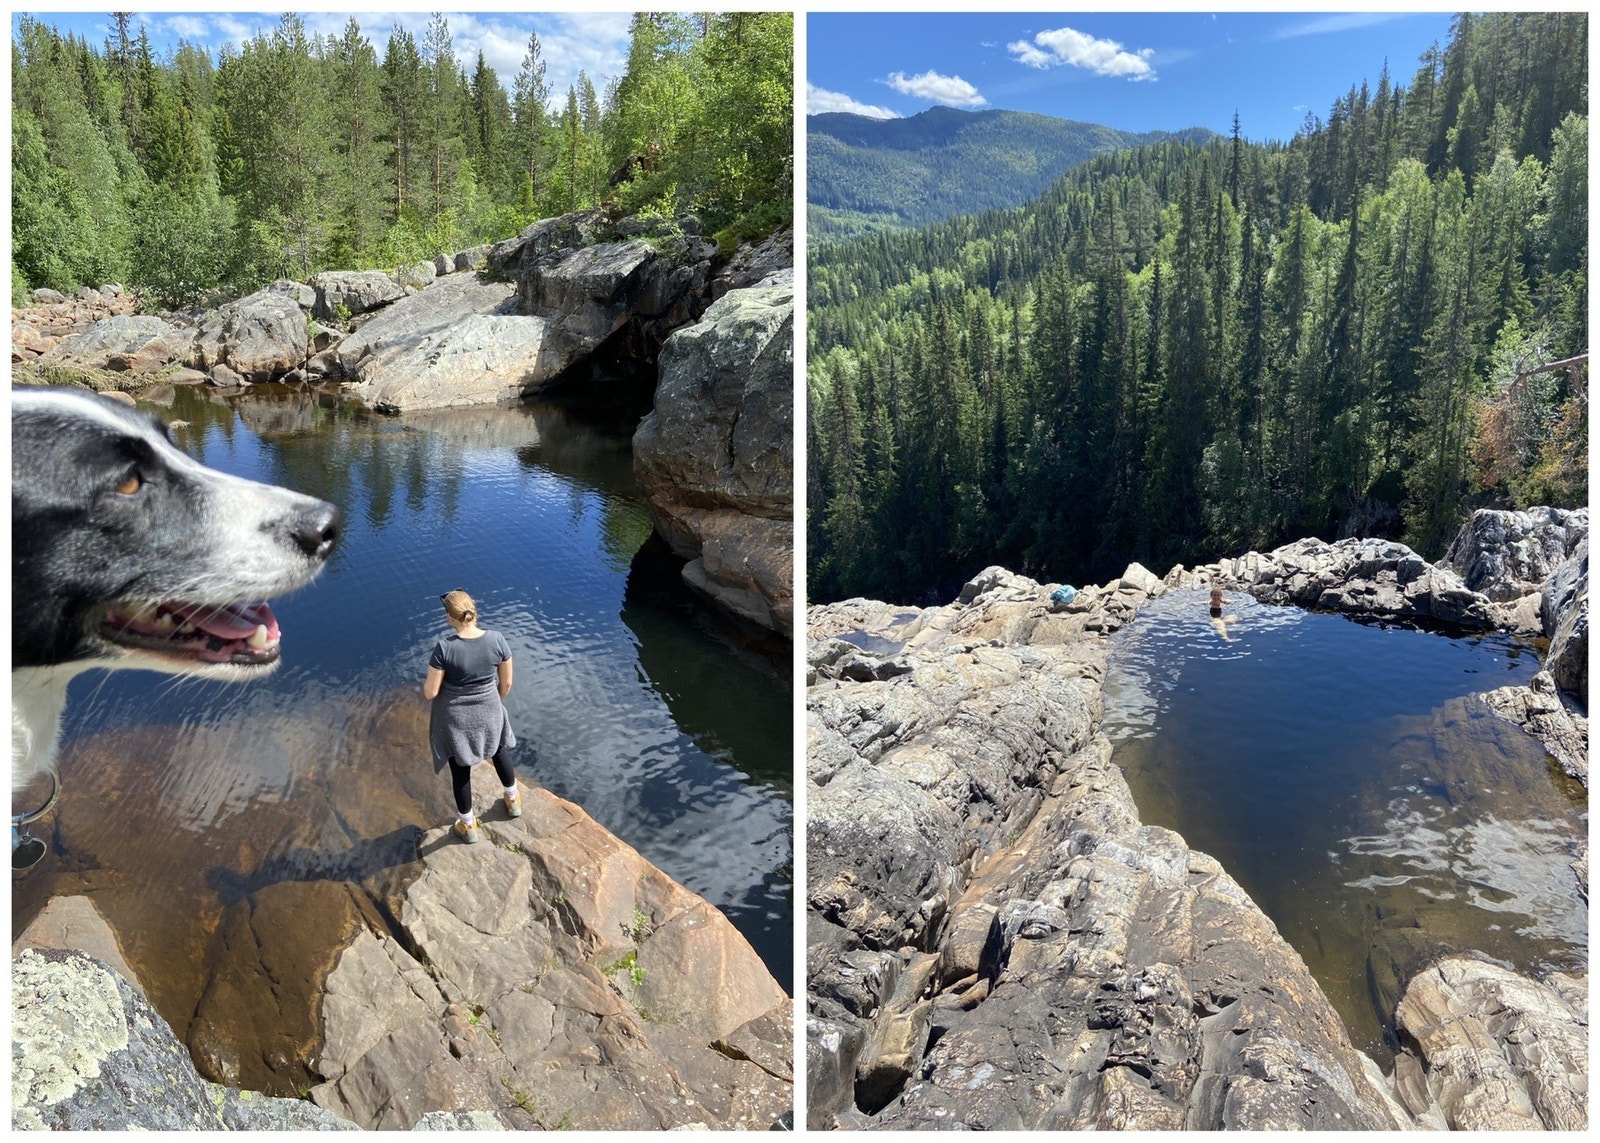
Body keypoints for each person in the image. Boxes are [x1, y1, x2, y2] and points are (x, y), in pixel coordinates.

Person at [424, 590, 519, 843]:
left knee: (461, 768)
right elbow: (507, 683)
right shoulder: (497, 639)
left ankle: (468, 827)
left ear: (449, 617)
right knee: (499, 751)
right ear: (473, 610)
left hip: (456, 721)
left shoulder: (445, 648)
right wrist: (492, 703)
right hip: (490, 709)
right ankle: (512, 801)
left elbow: (430, 692)